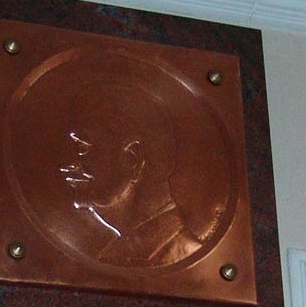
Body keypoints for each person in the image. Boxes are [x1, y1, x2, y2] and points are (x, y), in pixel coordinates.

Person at [58, 81, 204, 268]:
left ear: (133, 159)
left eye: (82, 147)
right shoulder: (121, 255)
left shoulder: (182, 252)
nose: (66, 165)